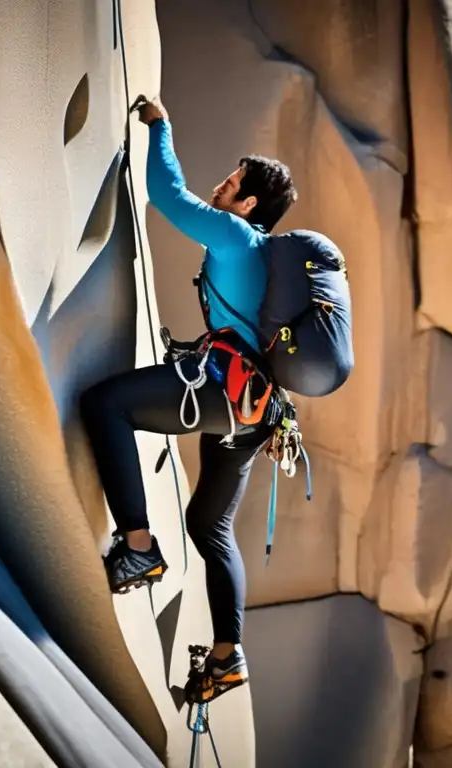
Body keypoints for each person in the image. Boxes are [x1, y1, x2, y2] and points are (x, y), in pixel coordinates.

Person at [79, 94, 298, 704]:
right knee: (211, 527)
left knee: (106, 405)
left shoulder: (236, 235)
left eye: (231, 182)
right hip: (258, 411)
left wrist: (160, 127)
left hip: (222, 391)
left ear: (248, 203)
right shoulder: (262, 256)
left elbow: (168, 197)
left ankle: (139, 549)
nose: (220, 187)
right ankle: (227, 661)